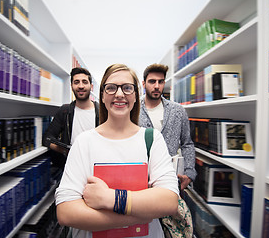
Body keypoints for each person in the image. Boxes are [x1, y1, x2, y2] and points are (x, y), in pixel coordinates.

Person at [55, 64, 179, 238]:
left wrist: (108, 198)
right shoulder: (85, 142)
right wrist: (141, 213)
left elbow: (169, 201)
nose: (119, 94)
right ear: (102, 96)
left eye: (127, 88)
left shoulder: (152, 139)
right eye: (111, 88)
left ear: (136, 96)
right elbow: (66, 212)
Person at [139, 63, 197, 190]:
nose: (156, 86)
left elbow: (187, 143)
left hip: (170, 177)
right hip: (140, 177)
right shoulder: (134, 110)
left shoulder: (178, 111)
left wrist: (189, 173)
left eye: (160, 82)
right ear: (144, 84)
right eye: (152, 81)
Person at [42, 67, 99, 168]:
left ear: (91, 86)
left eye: (84, 82)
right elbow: (47, 138)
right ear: (71, 86)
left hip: (96, 164)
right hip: (71, 165)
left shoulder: (102, 111)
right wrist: (66, 151)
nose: (81, 86)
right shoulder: (65, 111)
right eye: (76, 82)